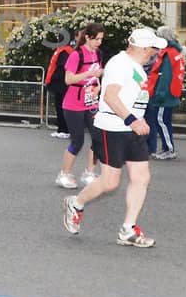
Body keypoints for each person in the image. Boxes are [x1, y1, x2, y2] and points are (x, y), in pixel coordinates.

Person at [62, 27, 166, 247]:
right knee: (110, 183)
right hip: (112, 128)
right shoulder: (120, 64)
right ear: (144, 47)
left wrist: (140, 118)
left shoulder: (137, 66)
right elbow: (110, 96)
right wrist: (132, 120)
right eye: (154, 49)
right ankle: (76, 203)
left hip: (132, 128)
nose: (155, 53)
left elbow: (133, 97)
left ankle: (128, 229)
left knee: (141, 178)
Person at [55, 24, 104, 189]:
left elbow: (97, 74)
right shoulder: (76, 55)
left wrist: (98, 86)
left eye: (101, 39)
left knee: (98, 138)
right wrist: (89, 74)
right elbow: (69, 80)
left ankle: (89, 173)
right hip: (74, 103)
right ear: (88, 37)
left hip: (91, 101)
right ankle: (64, 174)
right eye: (96, 39)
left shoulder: (98, 53)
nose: (99, 42)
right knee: (77, 141)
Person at [145, 24, 185, 158]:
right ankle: (166, 148)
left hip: (164, 94)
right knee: (164, 121)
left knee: (161, 121)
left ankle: (169, 149)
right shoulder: (175, 52)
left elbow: (165, 76)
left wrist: (160, 94)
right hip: (171, 92)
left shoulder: (168, 54)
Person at [44, 39, 76, 139]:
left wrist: (53, 79)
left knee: (62, 107)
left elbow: (62, 68)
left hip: (61, 84)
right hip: (60, 84)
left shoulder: (64, 51)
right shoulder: (64, 50)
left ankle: (65, 129)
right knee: (60, 107)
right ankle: (61, 129)